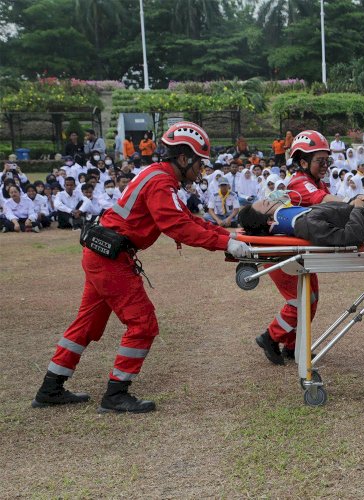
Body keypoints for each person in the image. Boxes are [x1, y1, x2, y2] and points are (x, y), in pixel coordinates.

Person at [32, 121, 252, 413]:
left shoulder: (157, 176)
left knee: (86, 324)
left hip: (104, 254)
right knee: (143, 323)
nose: (201, 170)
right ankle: (115, 395)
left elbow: (186, 219)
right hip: (111, 259)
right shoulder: (161, 182)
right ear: (184, 158)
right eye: (199, 163)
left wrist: (227, 236)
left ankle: (50, 388)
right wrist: (225, 244)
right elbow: (178, 227)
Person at [255, 130, 354, 366]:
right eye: (320, 161)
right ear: (303, 162)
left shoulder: (314, 182)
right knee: (301, 301)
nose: (325, 166)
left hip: (296, 253)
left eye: (327, 161)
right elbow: (325, 201)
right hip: (280, 253)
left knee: (312, 299)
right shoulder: (301, 182)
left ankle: (292, 346)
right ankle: (270, 337)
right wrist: (354, 202)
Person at [238, 196, 364, 245]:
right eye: (268, 203)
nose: (274, 199)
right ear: (270, 220)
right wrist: (358, 208)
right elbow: (352, 236)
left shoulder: (304, 215)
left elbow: (340, 212)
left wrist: (355, 200)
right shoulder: (306, 223)